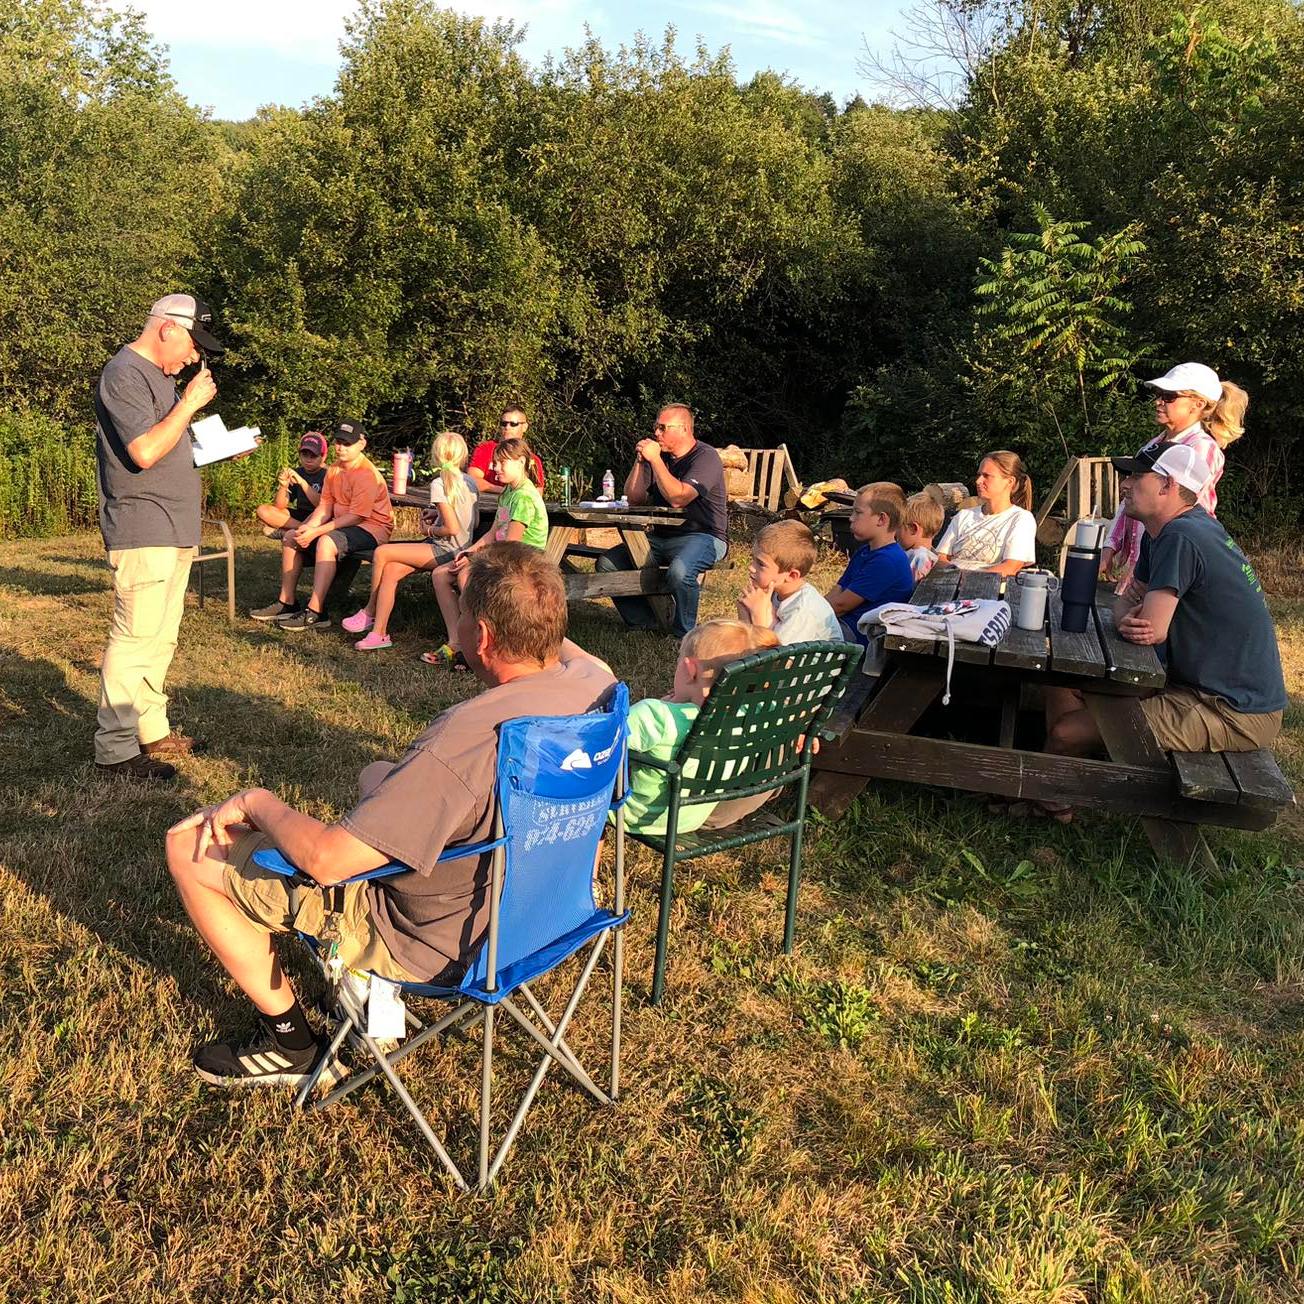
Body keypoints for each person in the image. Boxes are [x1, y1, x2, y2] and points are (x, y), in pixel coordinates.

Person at [165, 543, 617, 1088]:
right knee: (378, 775)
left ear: (483, 636)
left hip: (435, 945)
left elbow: (330, 861)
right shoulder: (597, 688)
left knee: (189, 848)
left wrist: (257, 802)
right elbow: (558, 646)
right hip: (548, 914)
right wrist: (525, 604)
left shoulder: (465, 739)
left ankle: (291, 1047)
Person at [1044, 445, 1284, 816]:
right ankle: (1058, 790)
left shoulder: (1181, 537)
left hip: (1231, 710)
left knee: (1065, 732)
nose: (1125, 485)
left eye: (1136, 477)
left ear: (1167, 486)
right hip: (1192, 686)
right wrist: (1131, 616)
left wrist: (1138, 618)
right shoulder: (1166, 532)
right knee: (1061, 681)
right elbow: (1128, 604)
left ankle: (1049, 797)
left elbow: (1150, 629)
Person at [93, 292, 223, 781]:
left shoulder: (160, 380)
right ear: (167, 327)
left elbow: (170, 444)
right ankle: (116, 750)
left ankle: (152, 731)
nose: (194, 356)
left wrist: (218, 448)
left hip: (173, 526)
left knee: (160, 637)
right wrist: (188, 404)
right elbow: (144, 450)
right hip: (143, 524)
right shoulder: (124, 373)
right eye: (192, 344)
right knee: (134, 638)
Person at [618, 620, 779, 836]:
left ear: (690, 669)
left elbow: (601, 741)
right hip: (692, 818)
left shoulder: (657, 716)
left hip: (637, 817)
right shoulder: (754, 714)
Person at [1100, 363, 1248, 586]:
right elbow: (1132, 498)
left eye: (1169, 396)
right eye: (1159, 395)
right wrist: (1111, 545)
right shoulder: (1154, 444)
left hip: (1173, 558)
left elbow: (1175, 510)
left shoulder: (1201, 449)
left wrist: (1146, 568)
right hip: (1149, 560)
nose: (1158, 401)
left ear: (1197, 404)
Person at [595, 405, 729, 638]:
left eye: (663, 428)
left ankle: (683, 634)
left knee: (680, 571)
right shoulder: (658, 457)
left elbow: (679, 498)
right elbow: (634, 500)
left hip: (705, 536)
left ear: (685, 429)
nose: (656, 433)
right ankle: (646, 622)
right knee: (607, 564)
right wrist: (640, 462)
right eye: (656, 427)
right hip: (661, 537)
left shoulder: (705, 457)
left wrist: (655, 461)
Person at [249, 420, 392, 631]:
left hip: (372, 529)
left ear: (361, 444)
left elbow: (356, 517)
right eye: (339, 442)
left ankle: (316, 611)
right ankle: (286, 602)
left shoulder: (366, 474)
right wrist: (307, 528)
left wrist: (317, 531)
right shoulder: (334, 470)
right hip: (346, 525)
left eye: (348, 443)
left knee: (326, 541)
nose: (341, 447)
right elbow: (325, 507)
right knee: (290, 537)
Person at [341, 432, 478, 651]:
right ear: (463, 455)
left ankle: (369, 611)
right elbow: (471, 520)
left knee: (382, 553)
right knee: (392, 569)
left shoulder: (439, 483)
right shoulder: (470, 481)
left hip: (445, 550)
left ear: (435, 455)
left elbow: (451, 528)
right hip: (461, 547)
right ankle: (379, 634)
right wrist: (438, 515)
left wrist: (430, 529)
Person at [422, 437, 548, 670]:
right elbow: (493, 533)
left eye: (501, 464)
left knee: (465, 577)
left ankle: (478, 650)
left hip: (522, 563)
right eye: (495, 463)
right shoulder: (509, 492)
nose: (495, 469)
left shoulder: (524, 497)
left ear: (521, 462)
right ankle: (456, 642)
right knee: (441, 574)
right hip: (503, 556)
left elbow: (511, 544)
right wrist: (469, 551)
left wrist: (475, 559)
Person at [825, 487, 915, 644]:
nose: (851, 518)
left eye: (858, 512)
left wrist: (807, 617)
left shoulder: (888, 561)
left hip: (858, 637)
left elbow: (841, 605)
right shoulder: (866, 551)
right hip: (844, 627)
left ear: (881, 519)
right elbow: (837, 591)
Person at [736, 520, 841, 644]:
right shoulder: (776, 592)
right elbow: (746, 643)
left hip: (809, 663)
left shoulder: (802, 609)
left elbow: (777, 658)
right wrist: (744, 610)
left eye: (761, 564)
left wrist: (757, 614)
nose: (751, 567)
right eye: (752, 559)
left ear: (791, 575)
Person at [934, 451, 1036, 576]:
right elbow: (940, 558)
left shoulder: (1021, 519)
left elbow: (1010, 567)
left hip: (990, 591)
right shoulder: (964, 515)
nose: (978, 481)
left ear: (1009, 481)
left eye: (986, 476)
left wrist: (968, 580)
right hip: (950, 586)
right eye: (979, 475)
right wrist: (953, 574)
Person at [255, 431, 328, 538]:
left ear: (324, 456)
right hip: (301, 515)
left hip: (321, 517)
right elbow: (279, 506)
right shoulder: (297, 472)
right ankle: (303, 528)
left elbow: (322, 506)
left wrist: (302, 482)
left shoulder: (329, 474)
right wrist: (283, 486)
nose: (308, 459)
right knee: (263, 510)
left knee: (320, 514)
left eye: (313, 456)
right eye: (304, 455)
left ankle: (293, 531)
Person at [467, 404, 545, 495]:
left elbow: (537, 493)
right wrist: (505, 491)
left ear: (525, 427)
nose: (507, 427)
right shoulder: (485, 449)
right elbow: (472, 480)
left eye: (513, 424)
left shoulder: (533, 460)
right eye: (504, 423)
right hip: (485, 505)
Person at [898, 492, 944, 582]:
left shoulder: (919, 558)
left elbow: (905, 592)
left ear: (913, 529)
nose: (895, 533)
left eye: (898, 527)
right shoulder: (930, 554)